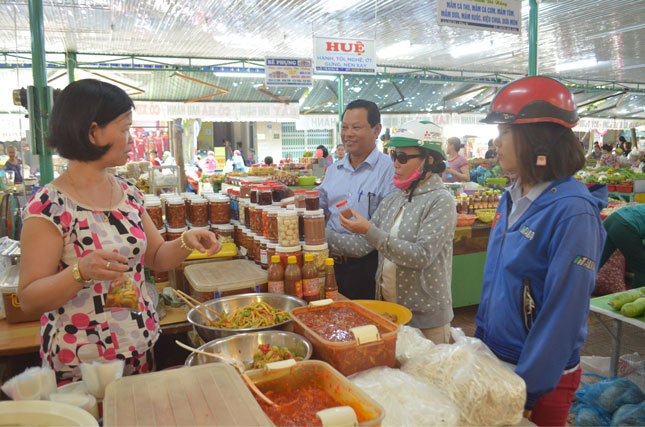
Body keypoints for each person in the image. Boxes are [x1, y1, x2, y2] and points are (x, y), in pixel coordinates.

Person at [18, 79, 222, 384]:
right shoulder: (49, 206)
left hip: (138, 348)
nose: (132, 138)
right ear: (93, 132)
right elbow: (29, 298)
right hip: (80, 366)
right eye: (125, 128)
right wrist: (80, 271)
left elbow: (156, 257)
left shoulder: (128, 193)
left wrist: (185, 241)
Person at [476, 76, 607, 426]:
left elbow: (565, 312)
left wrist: (529, 389)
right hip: (496, 359)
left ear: (537, 139)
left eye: (505, 133)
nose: (496, 142)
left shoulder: (573, 211)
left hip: (539, 378)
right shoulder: (512, 196)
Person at [327, 121, 456, 343]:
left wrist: (369, 230)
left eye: (403, 157)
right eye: (394, 155)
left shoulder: (440, 201)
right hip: (390, 312)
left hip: (427, 320)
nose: (394, 162)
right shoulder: (394, 199)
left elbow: (421, 255)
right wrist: (317, 235)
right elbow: (362, 246)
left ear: (430, 160)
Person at [315, 99, 396, 300]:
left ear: (376, 130)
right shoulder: (334, 169)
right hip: (331, 266)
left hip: (367, 268)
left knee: (363, 327)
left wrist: (319, 236)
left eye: (356, 127)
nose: (348, 133)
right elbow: (317, 203)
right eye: (344, 127)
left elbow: (370, 242)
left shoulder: (390, 171)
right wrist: (293, 199)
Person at [600, 204, 645, 288]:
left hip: (612, 219)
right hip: (625, 226)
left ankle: (574, 293)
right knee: (642, 269)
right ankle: (638, 298)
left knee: (595, 263)